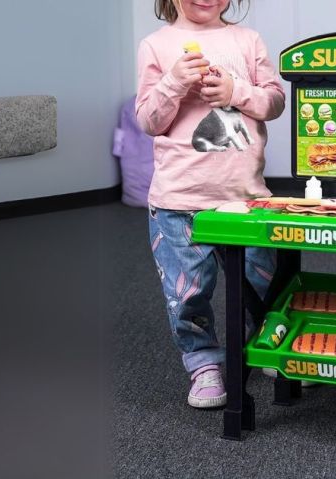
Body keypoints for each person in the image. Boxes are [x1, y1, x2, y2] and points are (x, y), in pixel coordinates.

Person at [136, 0, 285, 409]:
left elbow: (275, 102)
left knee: (263, 283)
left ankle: (263, 346)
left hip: (245, 198)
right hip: (179, 201)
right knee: (187, 293)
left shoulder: (247, 39)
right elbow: (149, 121)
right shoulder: (156, 46)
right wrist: (172, 83)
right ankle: (203, 362)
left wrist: (236, 92)